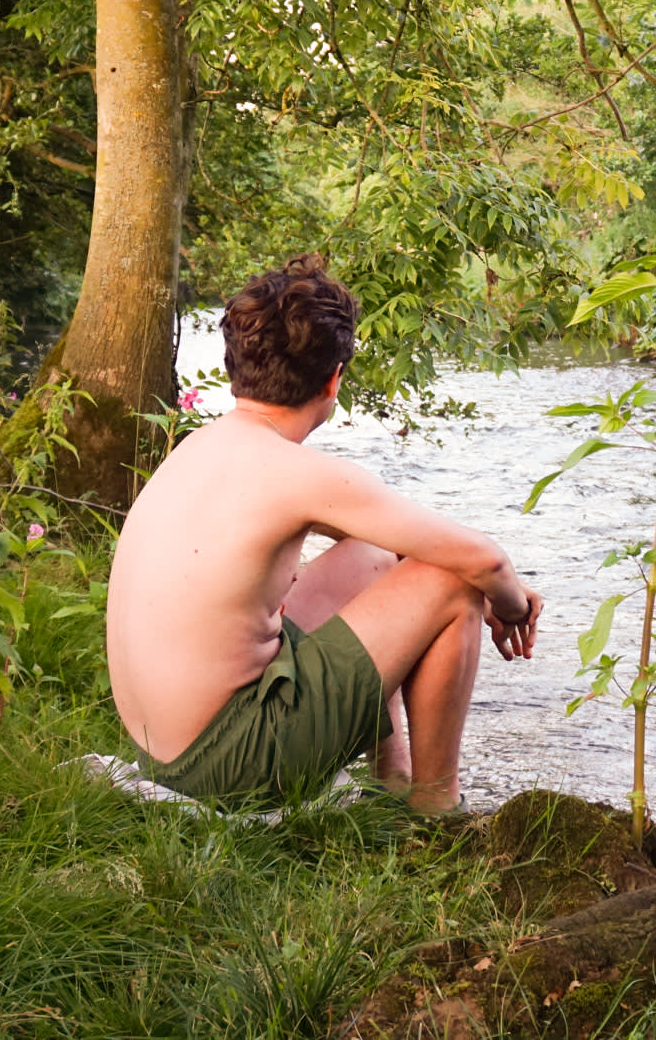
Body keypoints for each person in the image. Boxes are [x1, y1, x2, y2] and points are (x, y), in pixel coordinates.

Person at [107, 254, 542, 814]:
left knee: (374, 557)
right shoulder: (301, 474)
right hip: (228, 762)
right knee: (452, 581)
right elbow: (482, 562)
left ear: (237, 362)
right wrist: (510, 607)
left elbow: (389, 543)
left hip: (164, 747)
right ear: (333, 379)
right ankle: (436, 814)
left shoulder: (201, 445)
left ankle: (393, 773)